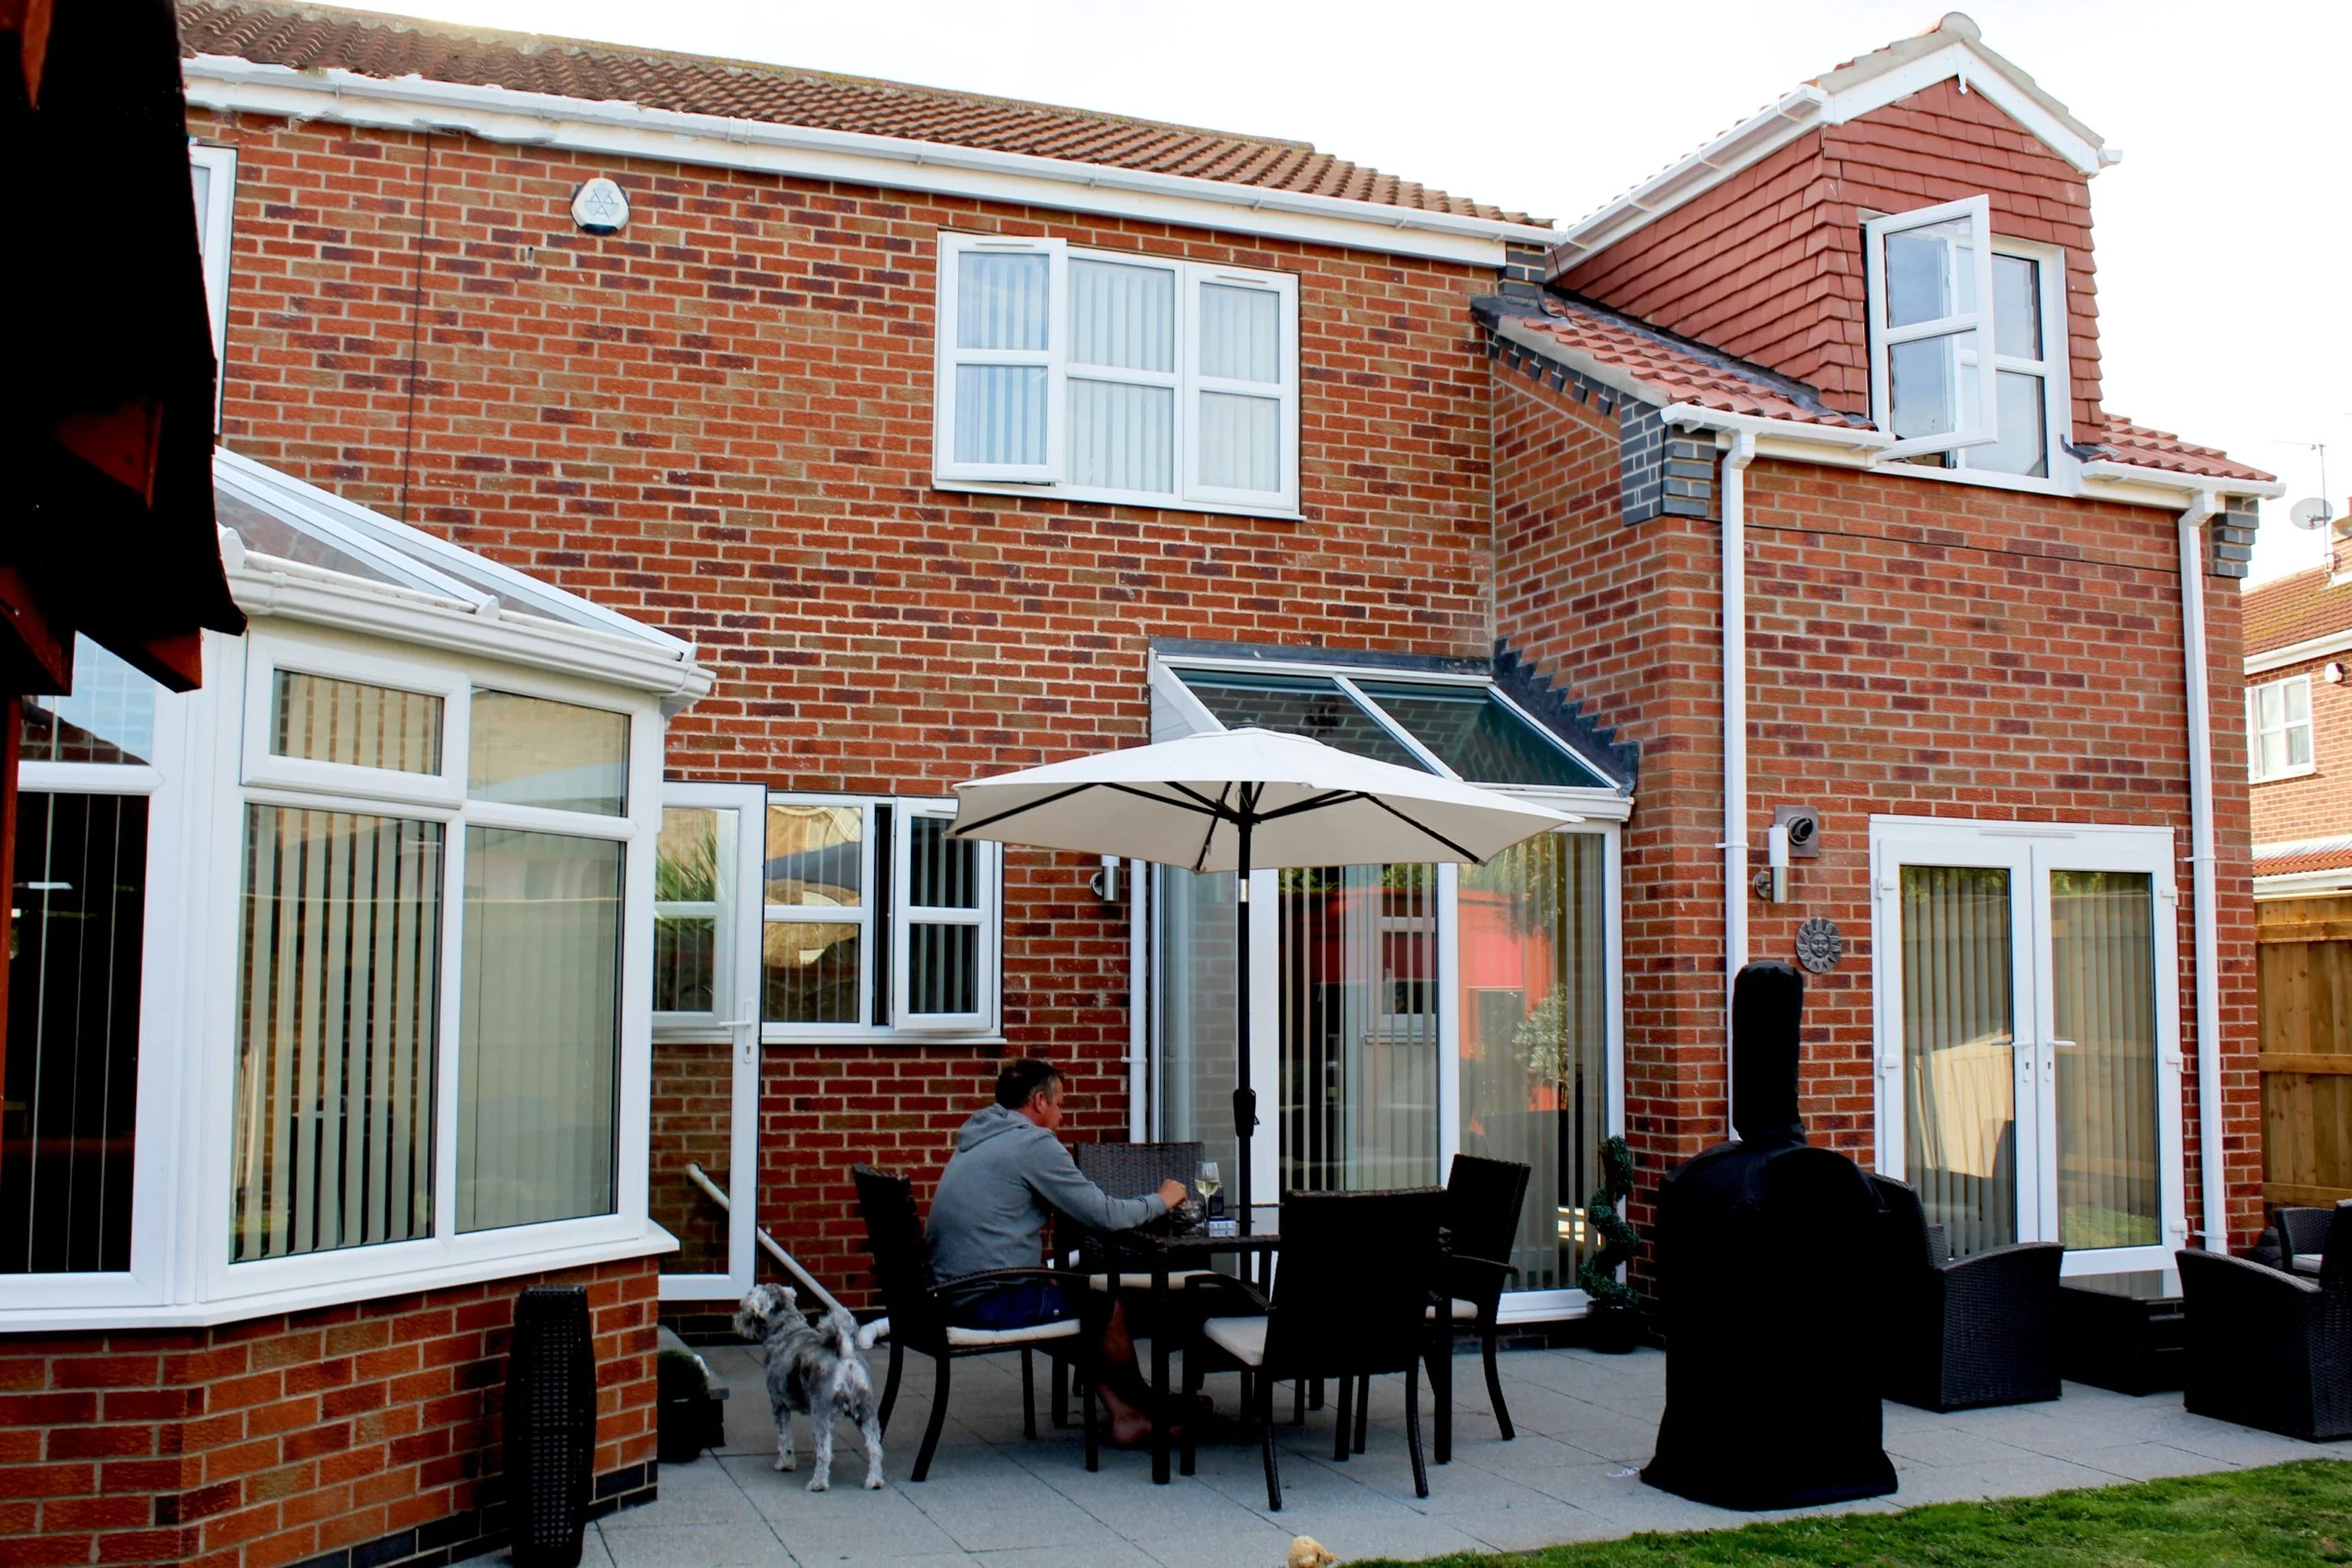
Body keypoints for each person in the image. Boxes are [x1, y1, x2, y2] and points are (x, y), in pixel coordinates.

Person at [928, 1058, 1188, 1446]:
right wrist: (1163, 1199)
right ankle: (1153, 1407)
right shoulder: (1032, 1144)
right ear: (1038, 1102)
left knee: (1074, 1299)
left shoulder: (981, 1136)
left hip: (951, 1291)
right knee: (1105, 1310)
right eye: (1060, 1104)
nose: (1062, 1115)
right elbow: (1105, 1216)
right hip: (985, 1297)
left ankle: (1126, 1415)